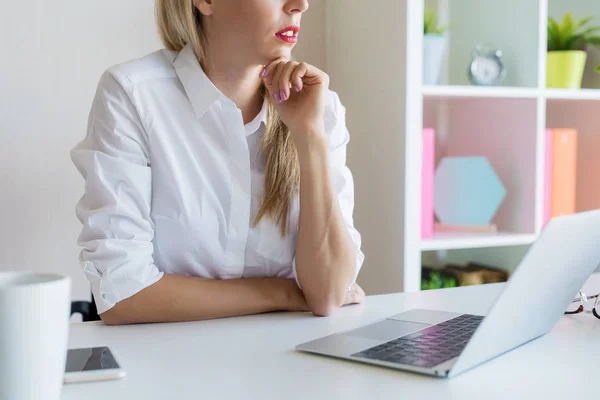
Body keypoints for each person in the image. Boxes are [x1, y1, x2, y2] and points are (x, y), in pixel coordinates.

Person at [71, 0, 365, 326]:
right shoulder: (133, 95)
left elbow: (327, 295)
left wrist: (309, 137)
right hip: (166, 365)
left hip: (288, 363)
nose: (300, 5)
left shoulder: (319, 107)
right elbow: (122, 293)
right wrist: (283, 293)